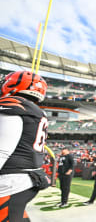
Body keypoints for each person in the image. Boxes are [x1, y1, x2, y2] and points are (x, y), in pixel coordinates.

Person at [0, 71, 48, 221]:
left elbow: (2, 149)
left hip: (12, 180)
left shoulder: (14, 106)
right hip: (28, 177)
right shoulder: (36, 111)